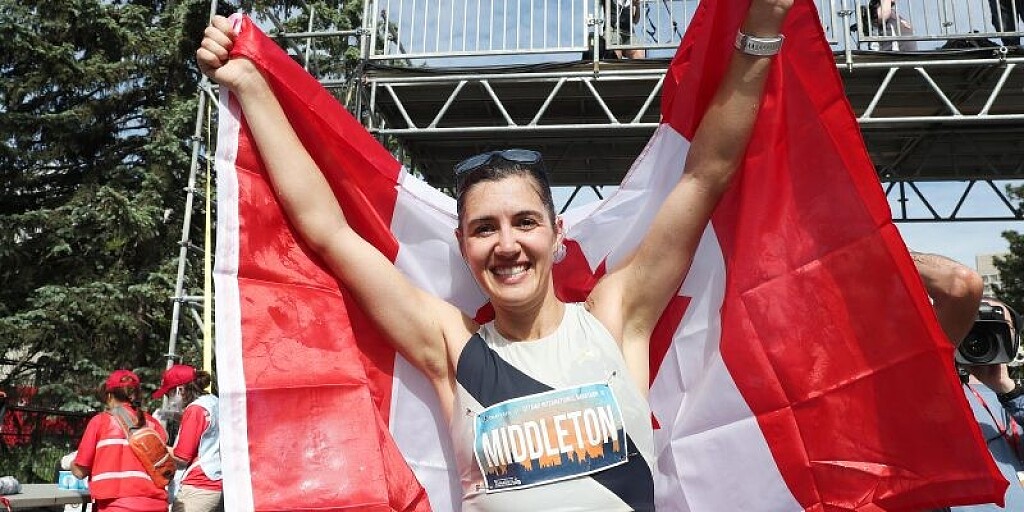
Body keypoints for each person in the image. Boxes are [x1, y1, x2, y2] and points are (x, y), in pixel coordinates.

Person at [197, 0, 792, 507]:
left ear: (557, 235)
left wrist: (763, 24)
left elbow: (706, 175)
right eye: (485, 229)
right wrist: (251, 84)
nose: (507, 245)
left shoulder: (615, 318)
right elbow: (329, 231)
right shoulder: (454, 348)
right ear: (463, 247)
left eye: (525, 222)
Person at [913, 252, 1024, 511]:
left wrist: (1007, 390)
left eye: (996, 328)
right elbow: (956, 284)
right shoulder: (931, 387)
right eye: (972, 327)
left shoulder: (1009, 401)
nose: (979, 339)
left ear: (1014, 338)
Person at [71, 369, 169, 512]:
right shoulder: (153, 424)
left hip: (116, 507)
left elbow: (80, 472)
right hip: (157, 506)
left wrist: (71, 463)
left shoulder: (100, 422)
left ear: (109, 395)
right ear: (136, 395)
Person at [154, 364, 223, 512]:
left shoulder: (195, 410)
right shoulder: (212, 401)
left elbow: (181, 457)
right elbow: (204, 427)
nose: (169, 399)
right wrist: (172, 415)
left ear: (181, 389)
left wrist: (154, 443)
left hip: (197, 488)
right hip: (215, 483)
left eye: (169, 394)